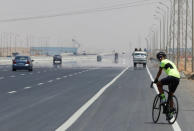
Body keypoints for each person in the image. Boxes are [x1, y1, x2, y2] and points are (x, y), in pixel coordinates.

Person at [153, 52, 180, 120]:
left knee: (159, 84)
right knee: (170, 94)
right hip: (177, 78)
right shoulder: (171, 62)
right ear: (165, 56)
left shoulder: (162, 62)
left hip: (171, 77)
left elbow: (159, 72)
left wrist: (156, 79)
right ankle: (170, 112)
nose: (160, 59)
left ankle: (163, 99)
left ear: (159, 58)